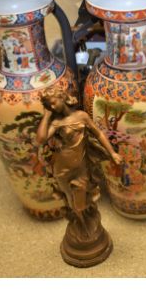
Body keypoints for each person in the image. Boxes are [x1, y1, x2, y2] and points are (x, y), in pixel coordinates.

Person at [36, 87, 123, 227]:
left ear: (62, 97)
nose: (52, 107)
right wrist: (46, 116)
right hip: (63, 167)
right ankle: (81, 225)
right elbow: (40, 139)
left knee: (82, 199)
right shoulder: (56, 122)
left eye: (53, 102)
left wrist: (112, 153)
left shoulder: (82, 116)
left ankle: (86, 221)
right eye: (49, 106)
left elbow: (98, 133)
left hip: (81, 165)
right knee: (71, 200)